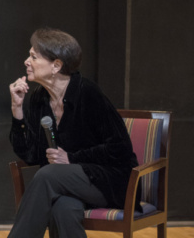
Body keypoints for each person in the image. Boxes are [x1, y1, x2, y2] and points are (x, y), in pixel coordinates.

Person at [8, 27, 140, 238]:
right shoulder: (39, 99)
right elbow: (31, 155)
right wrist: (17, 110)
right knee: (64, 208)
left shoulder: (87, 93)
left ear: (56, 65)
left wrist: (71, 158)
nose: (26, 61)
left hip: (109, 181)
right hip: (69, 184)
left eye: (33, 56)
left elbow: (120, 148)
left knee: (48, 175)